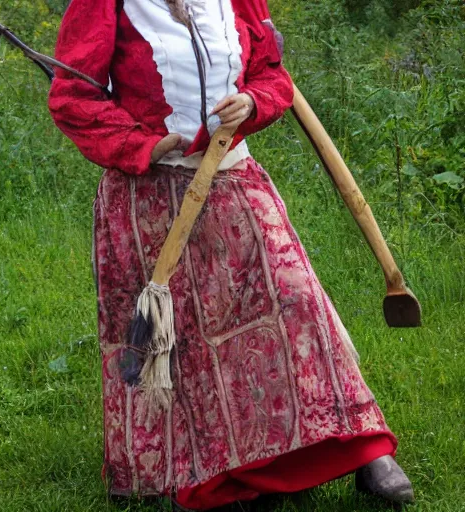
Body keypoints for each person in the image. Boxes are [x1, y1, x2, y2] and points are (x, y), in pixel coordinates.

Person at [48, 0, 413, 508]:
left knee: (296, 298)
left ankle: (364, 446)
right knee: (188, 343)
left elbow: (271, 74)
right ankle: (221, 467)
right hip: (150, 200)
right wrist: (139, 145)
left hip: (233, 179)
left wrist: (253, 102)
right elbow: (72, 97)